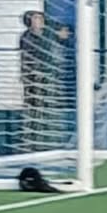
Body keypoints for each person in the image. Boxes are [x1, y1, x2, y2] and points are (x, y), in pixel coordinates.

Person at [19, 10, 71, 153]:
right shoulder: (27, 37)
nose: (40, 21)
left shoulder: (48, 34)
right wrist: (28, 75)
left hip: (49, 76)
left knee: (50, 106)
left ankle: (49, 140)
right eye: (36, 18)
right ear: (29, 21)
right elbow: (27, 59)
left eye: (41, 18)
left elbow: (63, 34)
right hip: (34, 78)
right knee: (34, 108)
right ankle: (31, 141)